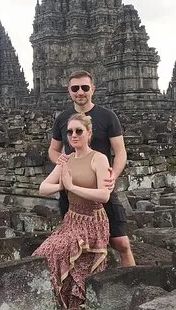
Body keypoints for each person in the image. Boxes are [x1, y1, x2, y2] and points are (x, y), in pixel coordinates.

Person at [49, 70, 136, 267]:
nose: (80, 92)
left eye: (85, 87)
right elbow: (53, 150)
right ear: (69, 91)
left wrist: (113, 175)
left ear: (93, 89)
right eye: (75, 88)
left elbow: (120, 152)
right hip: (73, 194)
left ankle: (133, 281)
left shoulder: (107, 116)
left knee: (121, 243)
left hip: (100, 187)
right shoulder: (63, 119)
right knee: (76, 245)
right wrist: (63, 164)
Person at [33, 113, 112, 309]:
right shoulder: (66, 160)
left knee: (57, 251)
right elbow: (43, 188)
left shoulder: (98, 159)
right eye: (69, 132)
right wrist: (62, 185)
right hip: (71, 221)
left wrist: (72, 187)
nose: (74, 135)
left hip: (93, 223)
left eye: (79, 131)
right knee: (43, 254)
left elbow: (104, 195)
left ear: (89, 133)